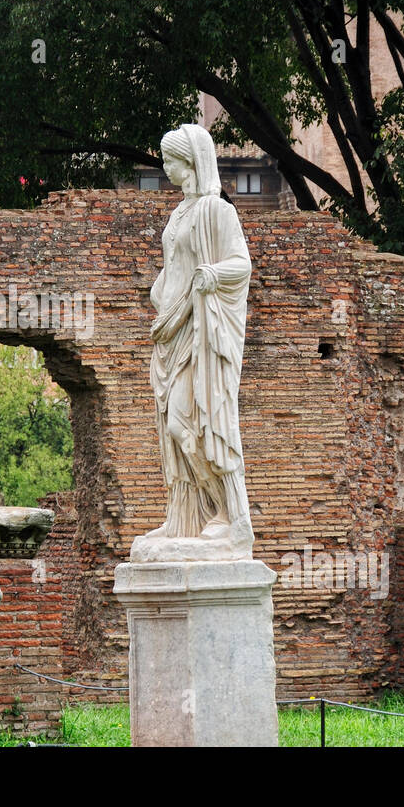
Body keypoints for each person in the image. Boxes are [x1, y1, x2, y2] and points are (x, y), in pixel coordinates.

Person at [145, 123, 254, 546]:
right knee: (174, 429)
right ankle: (186, 518)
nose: (165, 167)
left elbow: (240, 264)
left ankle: (231, 516)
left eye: (170, 160)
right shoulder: (178, 215)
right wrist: (161, 289)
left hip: (199, 330)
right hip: (169, 329)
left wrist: (211, 275)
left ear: (190, 162)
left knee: (191, 421)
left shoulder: (217, 211)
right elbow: (174, 265)